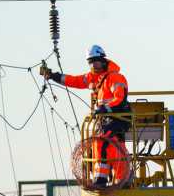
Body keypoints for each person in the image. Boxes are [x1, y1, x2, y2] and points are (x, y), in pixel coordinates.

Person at [43, 45, 129, 186]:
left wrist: (104, 109)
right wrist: (54, 76)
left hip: (118, 117)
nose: (93, 64)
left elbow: (119, 98)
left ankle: (121, 179)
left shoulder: (114, 77)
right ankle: (100, 178)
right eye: (90, 61)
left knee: (111, 145)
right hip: (105, 119)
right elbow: (74, 80)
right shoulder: (93, 78)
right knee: (98, 144)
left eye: (95, 60)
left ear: (103, 60)